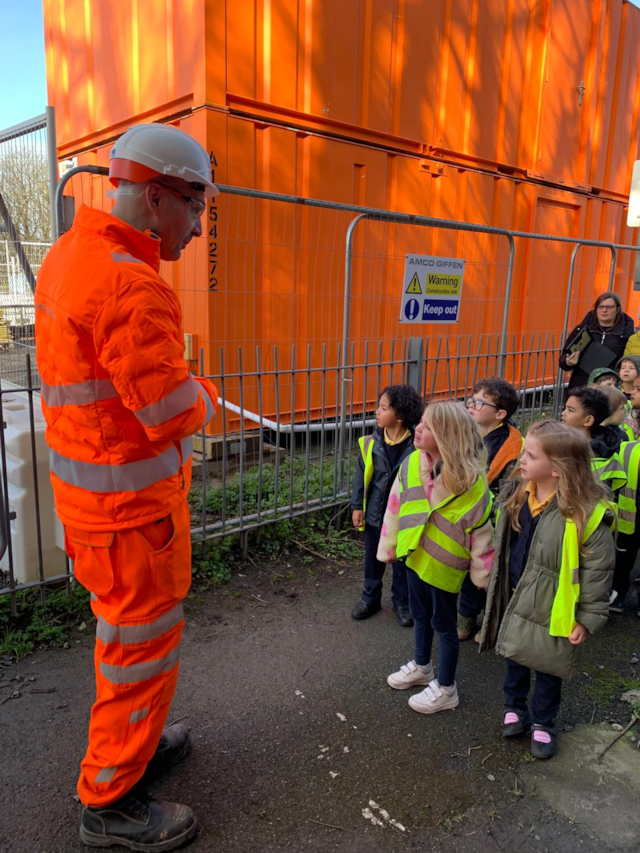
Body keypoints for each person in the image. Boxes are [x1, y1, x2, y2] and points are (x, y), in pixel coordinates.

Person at [35, 123, 219, 851]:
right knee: (137, 651)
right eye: (194, 207)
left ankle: (134, 752)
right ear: (155, 197)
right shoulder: (130, 284)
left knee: (125, 644)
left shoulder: (70, 255)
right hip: (131, 517)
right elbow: (169, 411)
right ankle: (110, 800)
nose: (197, 228)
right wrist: (205, 393)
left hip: (95, 506)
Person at [478, 421, 615, 758]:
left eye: (530, 455)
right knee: (515, 656)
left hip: (555, 608)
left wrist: (586, 618)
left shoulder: (584, 513)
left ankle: (543, 721)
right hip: (518, 594)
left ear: (557, 469)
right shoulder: (517, 494)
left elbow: (598, 572)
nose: (521, 459)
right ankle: (514, 706)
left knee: (549, 667)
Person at [379, 402, 494, 714]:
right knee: (419, 613)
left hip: (445, 565)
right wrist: (389, 546)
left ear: (448, 436)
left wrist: (482, 573)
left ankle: (446, 687)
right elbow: (395, 504)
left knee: (443, 624)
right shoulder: (412, 463)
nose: (417, 429)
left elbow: (482, 529)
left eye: (428, 426)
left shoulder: (472, 481)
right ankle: (422, 665)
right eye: (421, 422)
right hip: (414, 556)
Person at [351, 385, 424, 626]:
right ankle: (370, 598)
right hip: (375, 512)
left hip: (404, 516)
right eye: (379, 407)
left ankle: (402, 602)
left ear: (400, 416)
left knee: (402, 560)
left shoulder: (417, 446)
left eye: (384, 408)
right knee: (372, 558)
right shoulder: (371, 443)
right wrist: (357, 506)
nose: (377, 412)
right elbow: (361, 477)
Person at [459, 377, 523, 642]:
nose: (471, 406)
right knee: (467, 568)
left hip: (493, 518)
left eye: (479, 403)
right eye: (471, 400)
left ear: (500, 414)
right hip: (465, 514)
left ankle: (489, 621)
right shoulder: (466, 433)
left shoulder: (512, 447)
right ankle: (465, 617)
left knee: (491, 570)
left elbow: (511, 489)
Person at [559, 292, 634, 391]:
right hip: (580, 386)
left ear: (617, 309)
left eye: (609, 307)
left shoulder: (626, 334)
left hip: (609, 387)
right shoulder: (583, 330)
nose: (604, 310)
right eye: (600, 307)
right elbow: (564, 357)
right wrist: (568, 362)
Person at [560, 386, 626, 495]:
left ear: (588, 420)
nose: (563, 413)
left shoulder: (606, 459)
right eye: (565, 408)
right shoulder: (556, 444)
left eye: (570, 410)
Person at [611, 374, 640, 613]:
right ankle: (618, 594)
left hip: (629, 517)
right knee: (623, 558)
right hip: (628, 518)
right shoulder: (628, 443)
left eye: (638, 389)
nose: (632, 393)